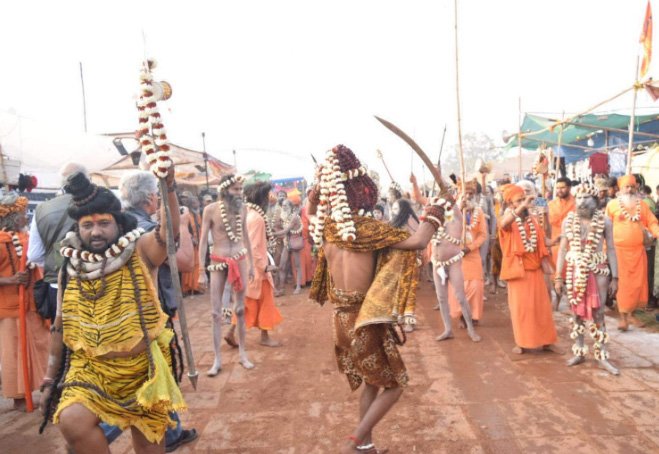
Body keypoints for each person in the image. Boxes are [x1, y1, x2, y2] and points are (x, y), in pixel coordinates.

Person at [308, 145, 444, 453]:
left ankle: (365, 447)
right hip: (364, 320)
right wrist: (437, 209)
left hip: (341, 321)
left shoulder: (328, 230)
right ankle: (353, 443)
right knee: (394, 386)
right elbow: (419, 240)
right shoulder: (367, 230)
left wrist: (316, 193)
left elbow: (312, 211)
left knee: (372, 382)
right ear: (362, 190)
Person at [39, 169, 186, 453]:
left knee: (150, 447)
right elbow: (60, 324)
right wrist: (48, 379)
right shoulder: (70, 266)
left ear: (118, 223)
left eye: (104, 223)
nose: (96, 232)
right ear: (77, 228)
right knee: (72, 421)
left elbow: (168, 235)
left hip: (142, 371)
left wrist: (168, 187)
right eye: (87, 225)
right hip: (91, 370)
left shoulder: (140, 249)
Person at [115, 170, 197, 452]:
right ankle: (99, 429)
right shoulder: (146, 230)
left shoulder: (115, 225)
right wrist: (182, 225)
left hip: (122, 320)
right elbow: (186, 262)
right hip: (150, 317)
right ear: (152, 198)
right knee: (152, 377)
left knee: (158, 375)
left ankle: (172, 433)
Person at [554, 183, 619, 375]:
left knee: (599, 312)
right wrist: (558, 277)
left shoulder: (605, 221)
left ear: (596, 200)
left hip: (598, 269)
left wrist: (615, 277)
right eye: (579, 198)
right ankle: (579, 351)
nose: (581, 202)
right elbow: (562, 250)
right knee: (576, 312)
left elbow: (611, 248)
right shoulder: (568, 221)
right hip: (575, 269)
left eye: (586, 198)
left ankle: (602, 355)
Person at [198, 174, 255, 375]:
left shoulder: (243, 208)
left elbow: (246, 237)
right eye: (235, 189)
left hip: (239, 259)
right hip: (218, 261)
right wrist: (201, 271)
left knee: (239, 309)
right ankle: (217, 360)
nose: (239, 193)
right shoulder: (210, 210)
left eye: (241, 189)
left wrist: (252, 264)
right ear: (224, 190)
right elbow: (203, 242)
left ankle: (242, 354)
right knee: (215, 313)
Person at [0, 191, 48, 411]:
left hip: (32, 305)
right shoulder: (2, 242)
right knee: (13, 352)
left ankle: (42, 390)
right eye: (23, 213)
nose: (26, 216)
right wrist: (10, 280)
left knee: (41, 345)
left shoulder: (27, 238)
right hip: (10, 309)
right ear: (12, 217)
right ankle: (19, 398)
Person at [499, 184, 559, 354]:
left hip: (536, 271)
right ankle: (522, 343)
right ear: (510, 204)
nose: (524, 203)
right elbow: (503, 224)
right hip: (518, 273)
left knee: (542, 309)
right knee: (522, 310)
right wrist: (523, 206)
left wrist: (555, 241)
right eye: (519, 200)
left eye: (524, 199)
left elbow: (543, 239)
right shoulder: (507, 220)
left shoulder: (532, 219)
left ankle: (547, 342)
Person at [225, 182, 282, 347]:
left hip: (246, 266)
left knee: (247, 302)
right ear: (261, 199)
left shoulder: (247, 214)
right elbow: (255, 247)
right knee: (265, 302)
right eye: (267, 197)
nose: (268, 200)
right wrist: (265, 267)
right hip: (256, 269)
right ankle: (264, 337)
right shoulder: (257, 218)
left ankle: (230, 332)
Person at [27, 163, 86, 323]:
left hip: (56, 285)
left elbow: (34, 255)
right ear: (86, 179)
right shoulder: (97, 204)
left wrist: (56, 259)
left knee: (60, 333)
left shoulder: (42, 209)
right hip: (93, 283)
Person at [605, 174, 659, 330]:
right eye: (626, 187)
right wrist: (604, 249)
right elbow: (605, 228)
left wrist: (657, 232)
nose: (629, 190)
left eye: (632, 187)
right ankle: (623, 318)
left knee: (637, 285)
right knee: (623, 285)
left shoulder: (642, 205)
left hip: (638, 252)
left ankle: (631, 315)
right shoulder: (612, 205)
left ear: (636, 188)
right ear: (620, 189)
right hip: (619, 252)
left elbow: (652, 222)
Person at [448, 181, 488, 326]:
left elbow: (482, 235)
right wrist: (459, 210)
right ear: (460, 194)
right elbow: (447, 226)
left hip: (473, 254)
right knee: (459, 286)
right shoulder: (451, 211)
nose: (469, 196)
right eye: (466, 193)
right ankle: (462, 316)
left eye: (471, 193)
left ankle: (474, 315)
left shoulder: (479, 212)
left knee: (475, 286)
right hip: (456, 254)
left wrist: (470, 248)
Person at [389, 198, 421, 333]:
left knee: (410, 290)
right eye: (393, 208)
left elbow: (419, 238)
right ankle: (400, 316)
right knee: (399, 289)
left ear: (403, 209)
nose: (394, 211)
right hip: (397, 260)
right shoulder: (395, 221)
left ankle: (409, 322)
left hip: (411, 259)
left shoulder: (410, 219)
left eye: (396, 208)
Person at [275, 198, 304, 296]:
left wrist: (272, 234)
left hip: (294, 242)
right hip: (287, 243)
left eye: (285, 206)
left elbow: (285, 231)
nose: (283, 207)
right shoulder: (284, 217)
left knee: (297, 265)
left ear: (291, 207)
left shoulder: (294, 217)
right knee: (282, 266)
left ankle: (298, 287)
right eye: (282, 205)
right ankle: (282, 288)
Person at [180, 191, 203, 295]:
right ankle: (187, 287)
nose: (196, 204)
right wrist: (191, 239)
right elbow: (184, 229)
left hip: (198, 244)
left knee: (197, 264)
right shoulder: (187, 215)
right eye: (194, 203)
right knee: (189, 264)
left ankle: (195, 286)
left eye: (197, 202)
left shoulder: (197, 215)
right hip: (189, 244)